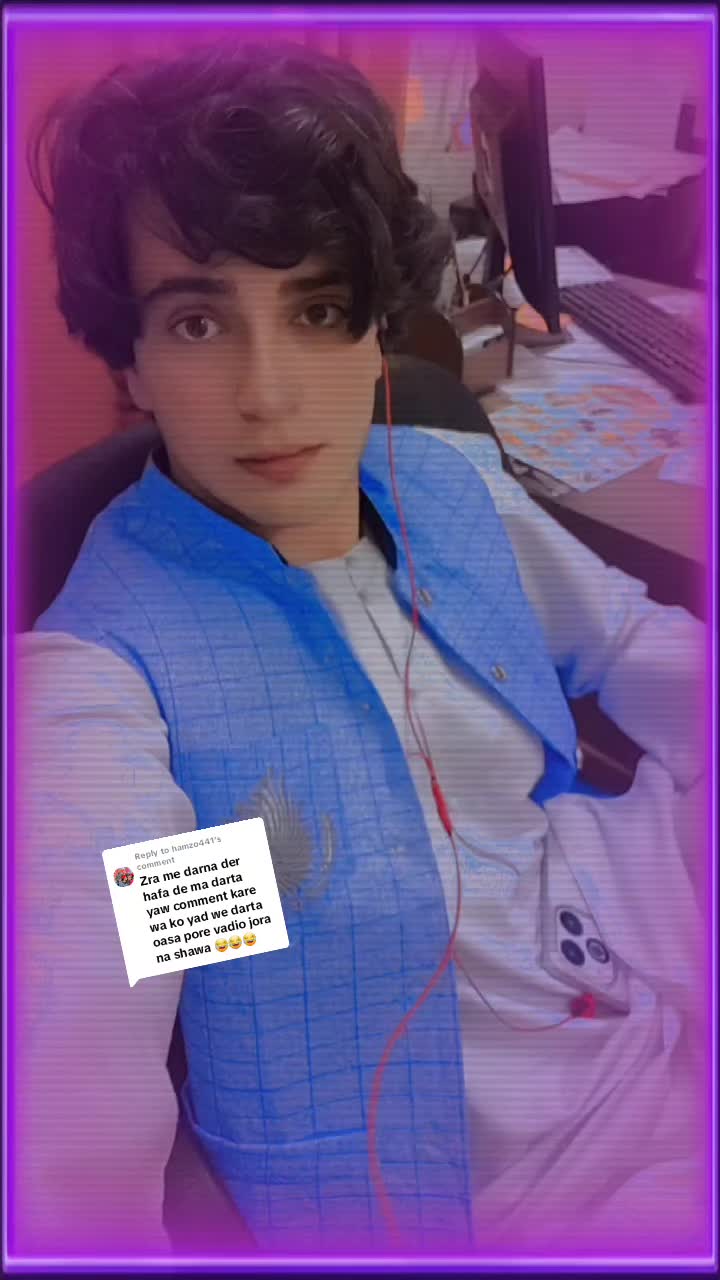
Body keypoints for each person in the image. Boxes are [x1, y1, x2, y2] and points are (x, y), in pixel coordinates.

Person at [16, 37, 707, 1260]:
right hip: (517, 1179)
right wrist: (263, 871)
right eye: (197, 320)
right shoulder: (96, 674)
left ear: (376, 327)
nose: (271, 392)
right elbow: (79, 1051)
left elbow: (626, 637)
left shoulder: (445, 479)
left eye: (319, 309)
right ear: (129, 357)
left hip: (640, 948)